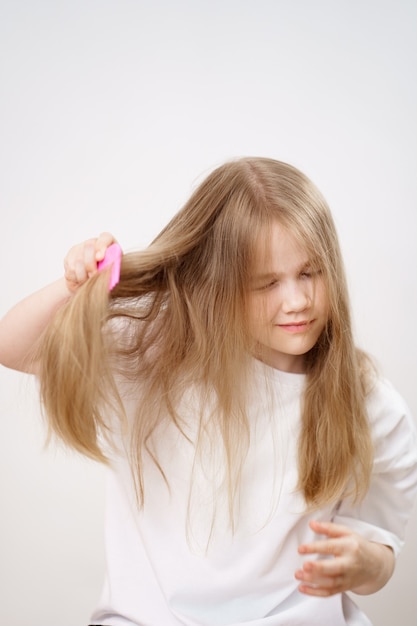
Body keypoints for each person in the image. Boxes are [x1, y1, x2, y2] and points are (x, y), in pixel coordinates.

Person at [1, 157, 417, 626]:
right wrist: (77, 286)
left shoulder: (370, 406)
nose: (297, 300)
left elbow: (380, 553)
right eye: (268, 283)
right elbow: (13, 346)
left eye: (311, 273)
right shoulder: (156, 357)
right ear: (221, 283)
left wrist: (365, 563)